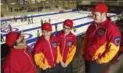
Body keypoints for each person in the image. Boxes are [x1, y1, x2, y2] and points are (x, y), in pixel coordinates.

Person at [81, 2, 121, 73]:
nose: (93, 17)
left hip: (97, 62)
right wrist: (83, 52)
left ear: (103, 14)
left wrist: (101, 60)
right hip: (87, 58)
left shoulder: (112, 29)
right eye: (93, 14)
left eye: (95, 15)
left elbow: (113, 49)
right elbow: (86, 40)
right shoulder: (92, 26)